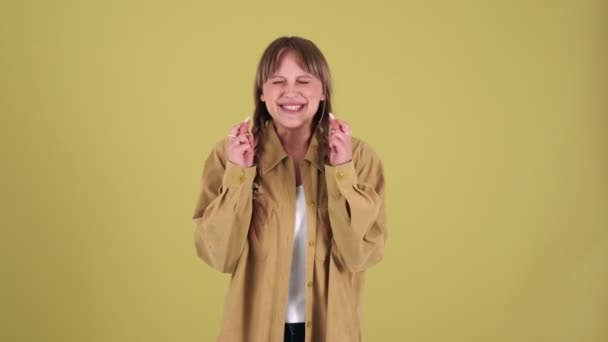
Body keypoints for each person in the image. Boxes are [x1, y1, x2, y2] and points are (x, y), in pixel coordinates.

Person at [192, 36, 387, 342]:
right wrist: (238, 175)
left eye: (304, 80)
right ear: (262, 92)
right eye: (278, 81)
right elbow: (220, 256)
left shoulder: (360, 159)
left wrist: (343, 173)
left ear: (322, 90)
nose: (290, 92)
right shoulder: (229, 155)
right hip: (253, 329)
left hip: (331, 329)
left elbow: (359, 256)